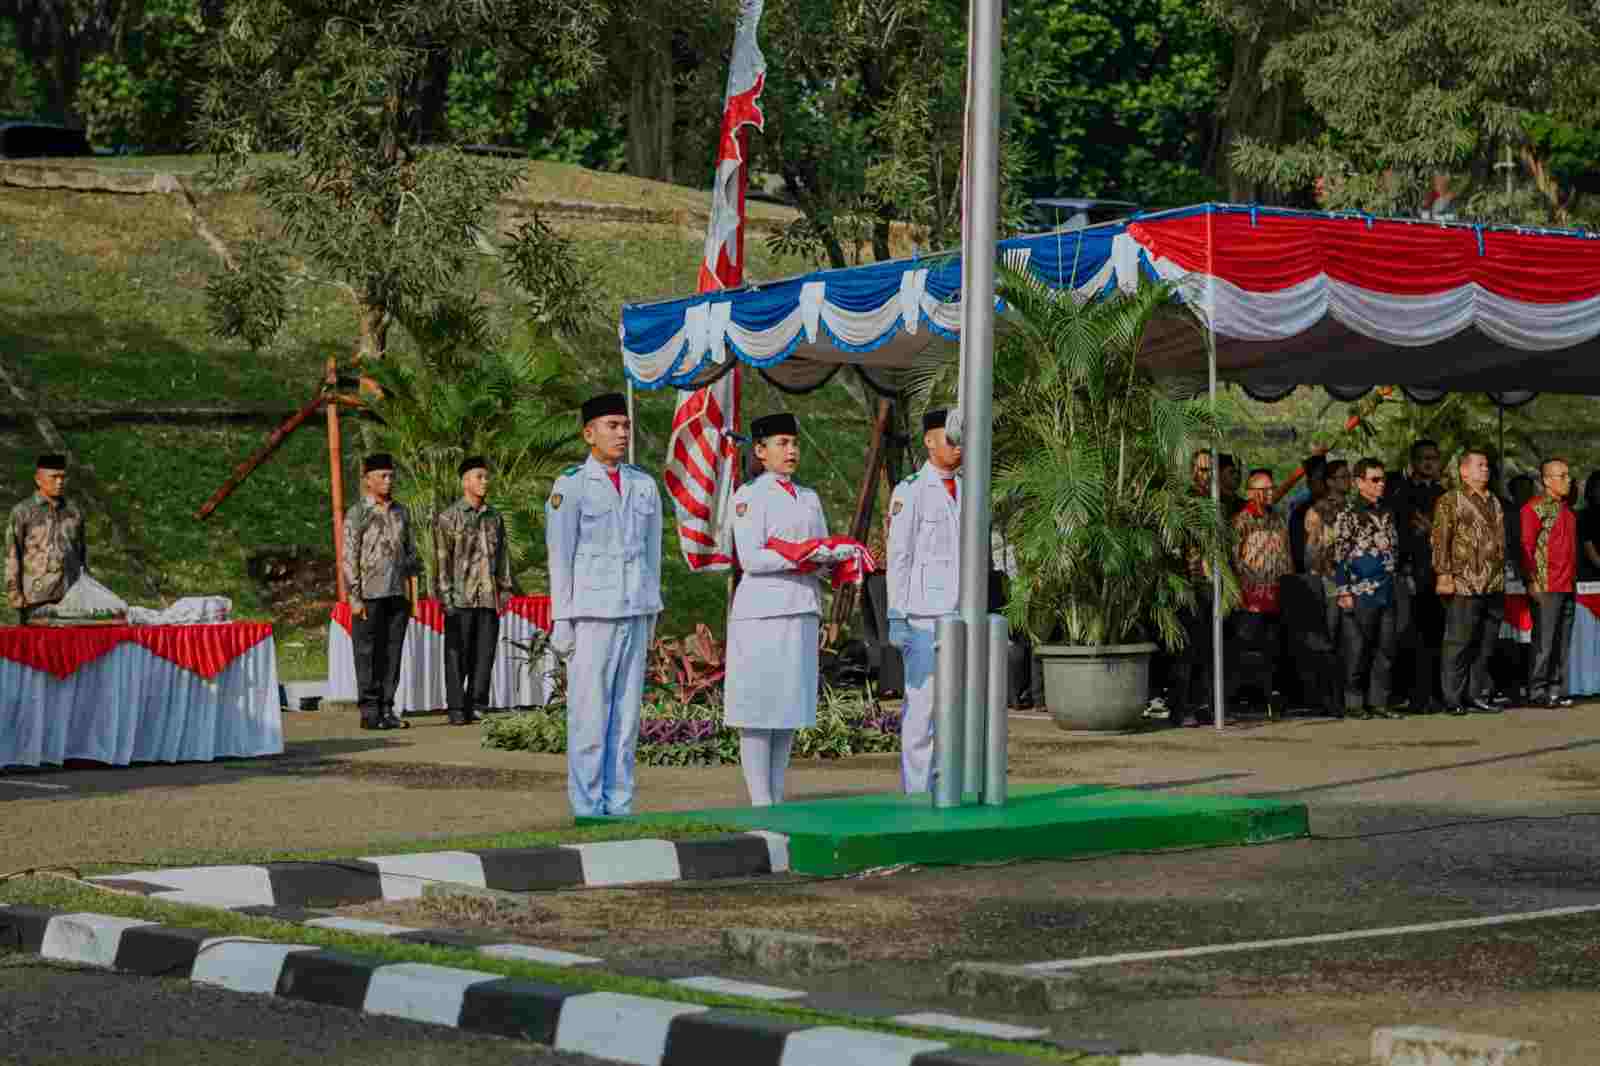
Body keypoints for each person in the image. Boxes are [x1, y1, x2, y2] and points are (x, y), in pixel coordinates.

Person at [546, 392, 663, 817]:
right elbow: (560, 556)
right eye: (612, 426)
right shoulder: (572, 485)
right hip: (592, 614)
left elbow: (652, 552)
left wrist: (652, 610)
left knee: (627, 718)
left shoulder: (643, 484)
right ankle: (588, 806)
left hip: (634, 608)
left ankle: (620, 803)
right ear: (588, 434)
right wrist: (562, 618)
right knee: (590, 715)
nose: (622, 433)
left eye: (625, 425)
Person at [725, 413, 830, 806]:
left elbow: (821, 549)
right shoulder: (749, 496)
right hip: (762, 611)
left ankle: (777, 794)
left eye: (794, 443)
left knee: (789, 707)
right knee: (757, 708)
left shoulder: (809, 497)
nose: (791, 451)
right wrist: (800, 557)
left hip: (801, 606)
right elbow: (751, 558)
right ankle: (760, 799)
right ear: (760, 450)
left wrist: (832, 560)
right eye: (782, 443)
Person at [887, 408, 962, 792]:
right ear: (930, 441)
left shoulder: (968, 488)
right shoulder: (911, 489)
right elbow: (899, 555)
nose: (958, 446)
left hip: (961, 613)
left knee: (957, 708)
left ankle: (949, 788)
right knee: (923, 706)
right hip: (922, 616)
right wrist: (896, 614)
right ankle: (917, 790)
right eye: (950, 438)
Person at [343, 453, 422, 730]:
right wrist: (354, 597)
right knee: (367, 654)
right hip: (369, 594)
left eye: (391, 476)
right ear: (368, 480)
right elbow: (349, 557)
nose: (388, 481)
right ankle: (370, 712)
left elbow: (412, 553)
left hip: (398, 593)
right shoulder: (358, 513)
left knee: (392, 652)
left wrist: (414, 594)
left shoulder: (401, 511)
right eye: (382, 476)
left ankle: (388, 708)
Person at [435, 456, 516, 726]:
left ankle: (477, 704)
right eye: (479, 476)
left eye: (486, 476)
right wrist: (445, 596)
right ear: (465, 482)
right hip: (460, 598)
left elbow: (503, 556)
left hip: (488, 597)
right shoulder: (449, 517)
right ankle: (457, 707)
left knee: (485, 654)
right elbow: (442, 560)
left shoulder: (495, 517)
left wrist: (505, 590)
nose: (485, 481)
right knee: (457, 655)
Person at [1432, 449, 1506, 715]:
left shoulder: (1494, 500)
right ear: (1464, 471)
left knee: (1485, 644)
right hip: (1464, 582)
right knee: (1459, 643)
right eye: (1480, 465)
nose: (1485, 469)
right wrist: (1443, 574)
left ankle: (1476, 694)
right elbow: (1441, 538)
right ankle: (1453, 698)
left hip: (1494, 582)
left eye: (1487, 465)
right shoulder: (1450, 500)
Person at [1333, 458, 1401, 719]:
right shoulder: (1348, 513)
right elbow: (1339, 554)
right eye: (1375, 479)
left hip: (1387, 588)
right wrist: (1343, 590)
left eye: (1383, 479)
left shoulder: (1388, 511)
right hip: (1360, 590)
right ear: (1359, 482)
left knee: (1385, 648)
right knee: (1357, 649)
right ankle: (1354, 703)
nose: (1381, 484)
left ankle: (1379, 702)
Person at [1385, 440, 1447, 714]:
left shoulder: (1445, 495)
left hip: (1439, 574)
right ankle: (1413, 694)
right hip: (1411, 573)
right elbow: (1399, 532)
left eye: (1433, 458)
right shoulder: (1401, 493)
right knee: (1410, 635)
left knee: (1437, 635)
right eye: (1424, 458)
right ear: (1413, 462)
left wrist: (1432, 529)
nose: (1429, 463)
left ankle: (1435, 693)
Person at [1228, 468, 1293, 714]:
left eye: (1270, 489)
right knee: (1246, 647)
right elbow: (1233, 557)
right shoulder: (1241, 520)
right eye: (1262, 489)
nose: (1268, 493)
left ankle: (1271, 696)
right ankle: (1241, 697)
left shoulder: (1277, 518)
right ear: (1249, 492)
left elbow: (1286, 552)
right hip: (1250, 594)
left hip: (1276, 592)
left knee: (1273, 648)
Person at [1288, 458, 1349, 715]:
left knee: (1348, 641)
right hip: (1327, 580)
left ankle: (1346, 697)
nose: (1348, 481)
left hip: (1353, 581)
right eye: (1342, 477)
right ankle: (1325, 698)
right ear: (1329, 482)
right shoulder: (1315, 511)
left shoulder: (1352, 508)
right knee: (1327, 640)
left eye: (1349, 476)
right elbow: (1309, 555)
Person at [5, 454, 87, 625]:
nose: (60, 482)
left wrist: (86, 590)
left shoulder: (74, 512)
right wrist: (15, 595)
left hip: (71, 598)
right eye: (54, 477)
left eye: (63, 477)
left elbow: (82, 556)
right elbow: (12, 555)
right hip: (36, 599)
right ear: (38, 479)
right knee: (38, 643)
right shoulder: (23, 512)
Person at [1521, 458, 1577, 708]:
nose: (1568, 480)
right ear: (1546, 480)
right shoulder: (1534, 508)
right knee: (1544, 641)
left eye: (1568, 475)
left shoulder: (1567, 510)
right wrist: (1531, 580)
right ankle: (1537, 691)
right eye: (1562, 476)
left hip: (1568, 584)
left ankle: (1556, 689)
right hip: (1546, 584)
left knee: (1562, 641)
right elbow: (1526, 546)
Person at [1169, 449, 1218, 726]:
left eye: (1211, 470)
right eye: (1203, 470)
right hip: (1186, 583)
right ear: (1192, 472)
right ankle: (1180, 706)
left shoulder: (1214, 502)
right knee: (1185, 651)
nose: (1207, 476)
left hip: (1208, 584)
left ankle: (1202, 704)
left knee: (1204, 650)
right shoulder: (1184, 503)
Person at [1289, 456, 1328, 574]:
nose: (1326, 482)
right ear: (1309, 483)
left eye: (1327, 477)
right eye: (1320, 478)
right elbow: (1298, 557)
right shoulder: (1299, 513)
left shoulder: (1338, 507)